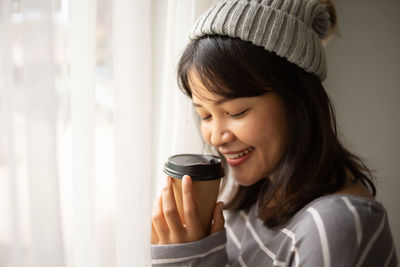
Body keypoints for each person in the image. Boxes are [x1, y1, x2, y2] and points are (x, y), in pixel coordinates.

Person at [150, 0, 398, 266]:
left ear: (297, 101)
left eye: (236, 112)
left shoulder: (333, 228)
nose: (215, 136)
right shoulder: (258, 193)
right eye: (205, 115)